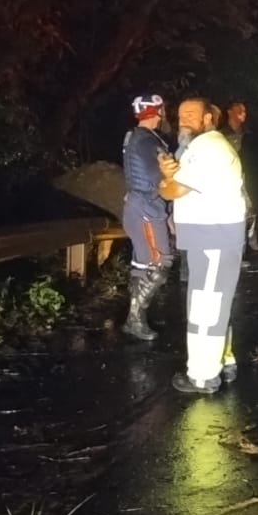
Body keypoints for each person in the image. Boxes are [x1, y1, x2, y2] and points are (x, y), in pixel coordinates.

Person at [156, 97, 246, 394]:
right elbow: (175, 185)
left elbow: (173, 191)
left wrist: (166, 181)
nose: (184, 119)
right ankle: (224, 361)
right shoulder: (199, 147)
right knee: (216, 302)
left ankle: (203, 376)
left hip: (212, 236)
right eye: (181, 114)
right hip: (211, 236)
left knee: (206, 305)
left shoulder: (207, 148)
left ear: (209, 118)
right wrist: (169, 178)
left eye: (192, 114)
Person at [120, 94, 174, 341]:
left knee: (142, 265)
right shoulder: (149, 142)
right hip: (147, 208)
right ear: (158, 112)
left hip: (139, 205)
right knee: (158, 264)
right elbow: (166, 175)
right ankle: (134, 319)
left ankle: (137, 317)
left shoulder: (136, 136)